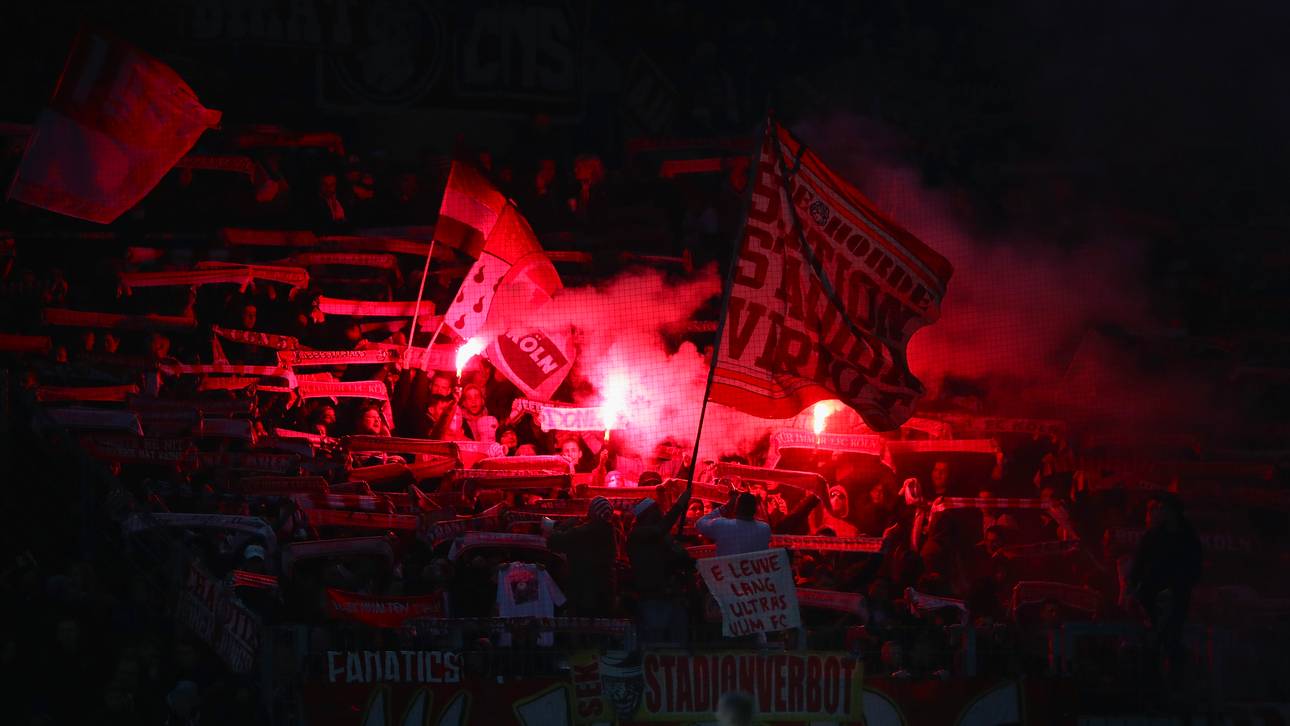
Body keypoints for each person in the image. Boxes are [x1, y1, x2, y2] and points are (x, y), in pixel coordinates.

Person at [1128, 492, 1202, 690]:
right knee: (1151, 641)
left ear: (1172, 511)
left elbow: (1195, 568)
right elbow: (1138, 564)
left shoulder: (1187, 538)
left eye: (1162, 508)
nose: (1158, 512)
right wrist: (1135, 587)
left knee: (1170, 638)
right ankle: (1153, 687)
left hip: (1176, 597)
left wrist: (1181, 587)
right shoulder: (1153, 536)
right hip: (1151, 596)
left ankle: (1176, 685)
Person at [627, 482, 694, 643]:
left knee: (676, 645)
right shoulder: (637, 535)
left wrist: (680, 552)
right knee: (654, 644)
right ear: (646, 515)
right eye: (655, 510)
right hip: (651, 599)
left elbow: (681, 560)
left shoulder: (661, 537)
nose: (660, 513)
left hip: (671, 597)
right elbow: (660, 530)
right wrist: (679, 504)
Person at [546, 496, 617, 615]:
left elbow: (553, 542)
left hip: (582, 593)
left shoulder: (581, 533)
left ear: (591, 513)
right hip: (606, 594)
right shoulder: (612, 533)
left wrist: (564, 525)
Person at [696, 491, 770, 556]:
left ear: (736, 508)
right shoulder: (765, 528)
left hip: (726, 567)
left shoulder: (722, 525)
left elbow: (699, 523)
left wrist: (725, 508)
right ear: (755, 509)